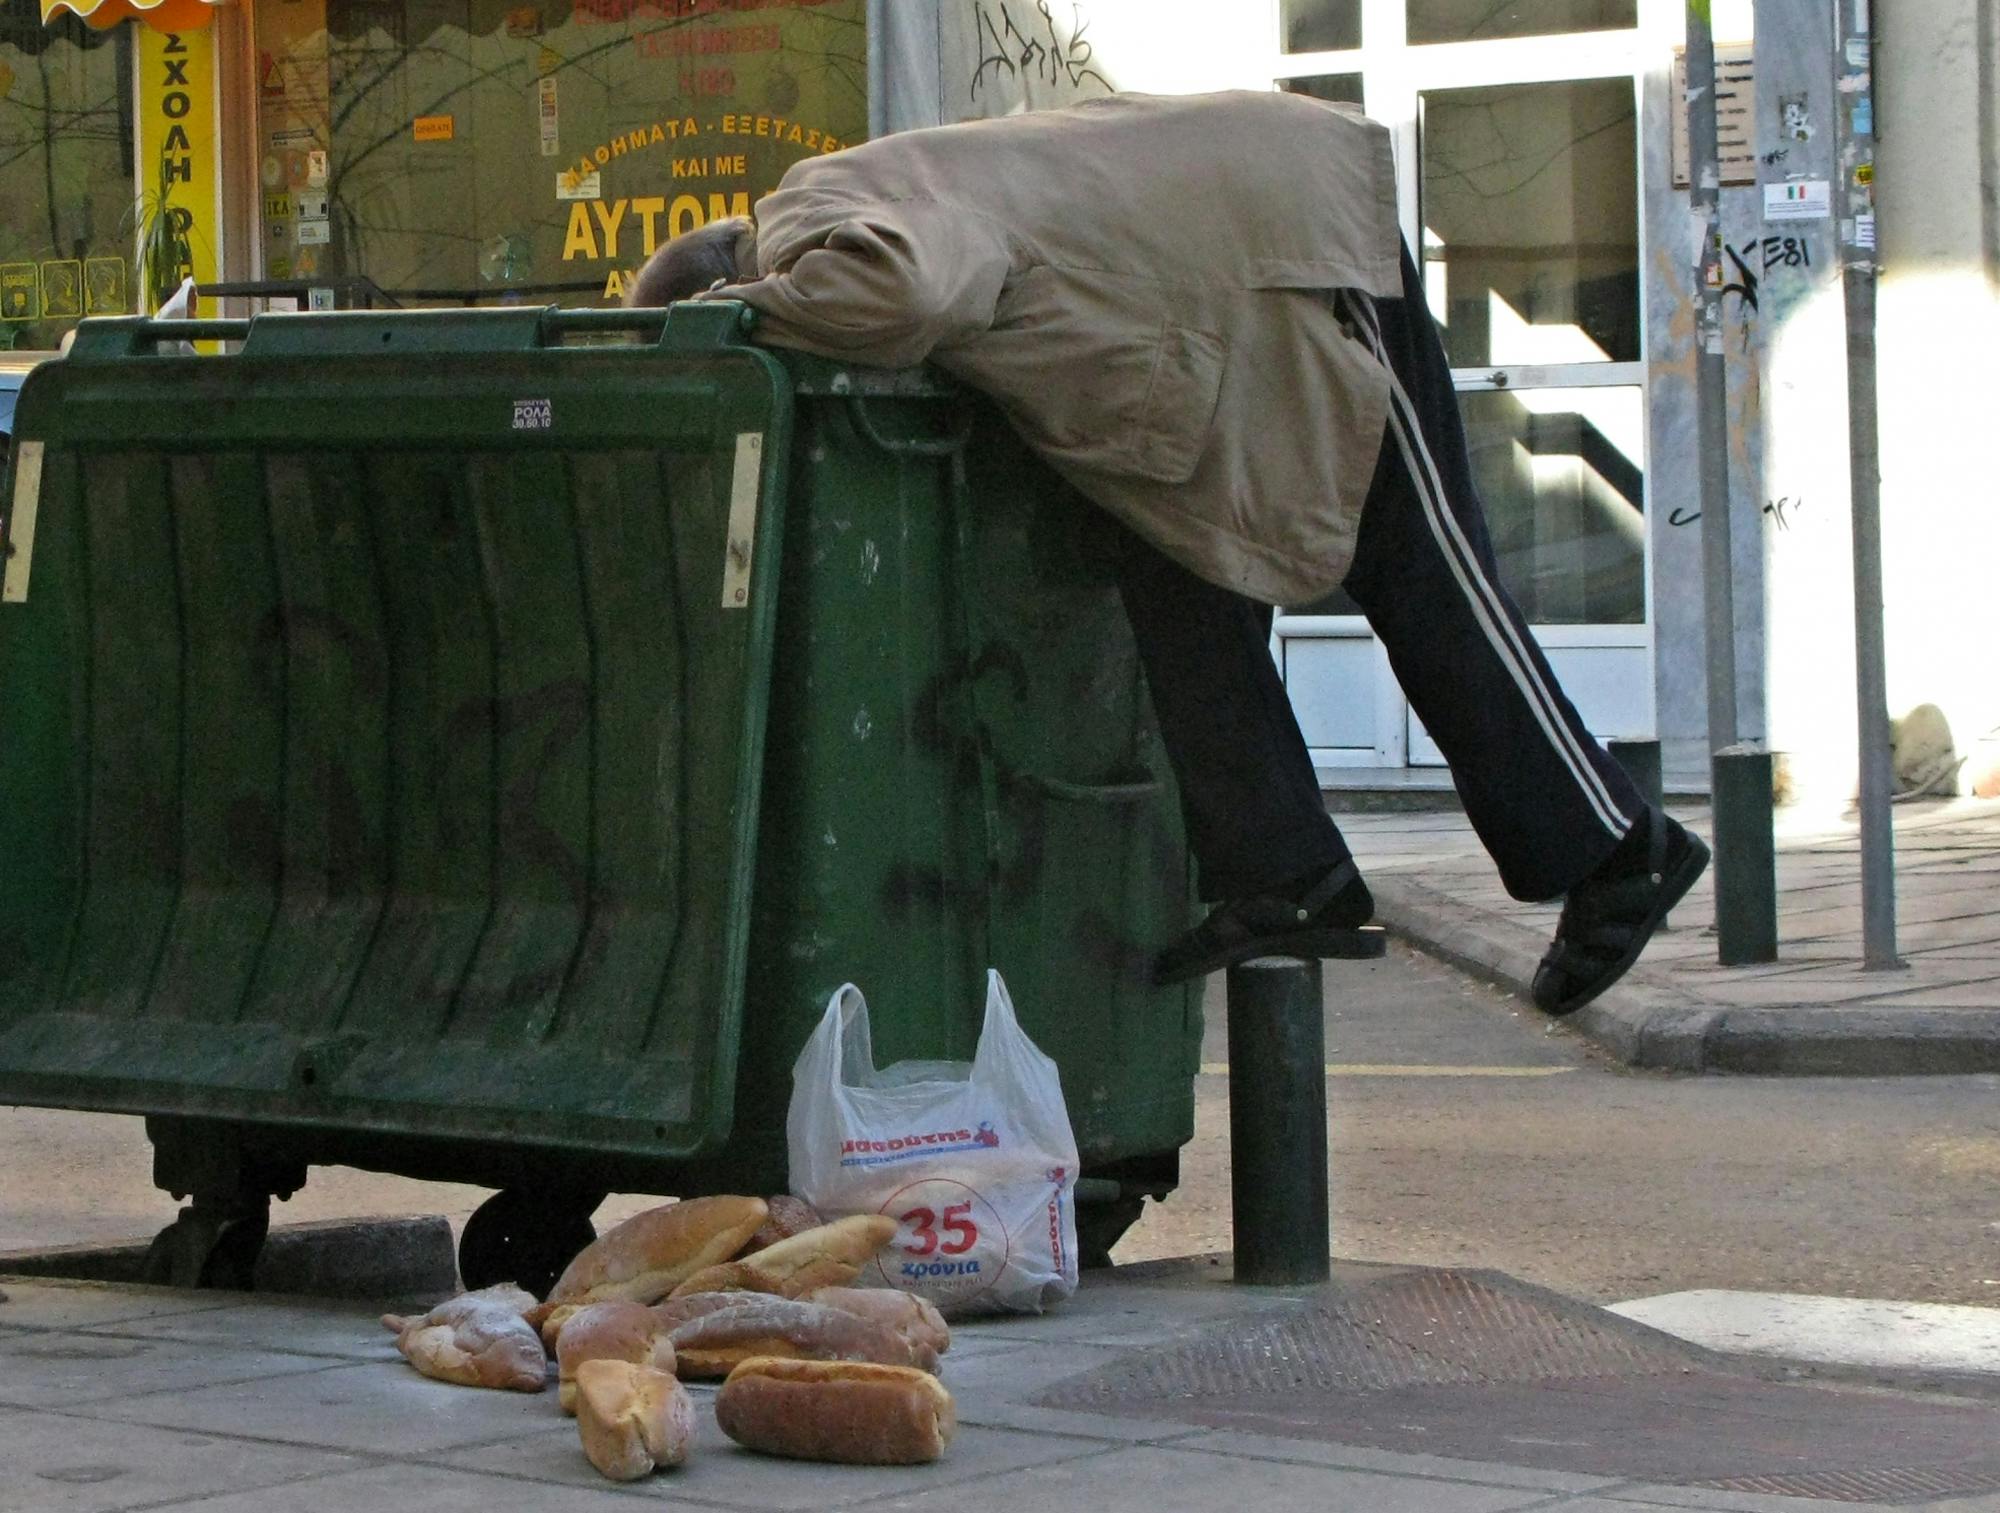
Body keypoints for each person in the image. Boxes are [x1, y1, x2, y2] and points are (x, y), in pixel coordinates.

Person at [629, 90, 1707, 1014]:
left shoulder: (805, 209)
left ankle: (1619, 849)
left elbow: (915, 287)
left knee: (1419, 567)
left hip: (1297, 248)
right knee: (1176, 574)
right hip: (1207, 316)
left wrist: (740, 319)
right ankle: (1287, 873)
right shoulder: (872, 188)